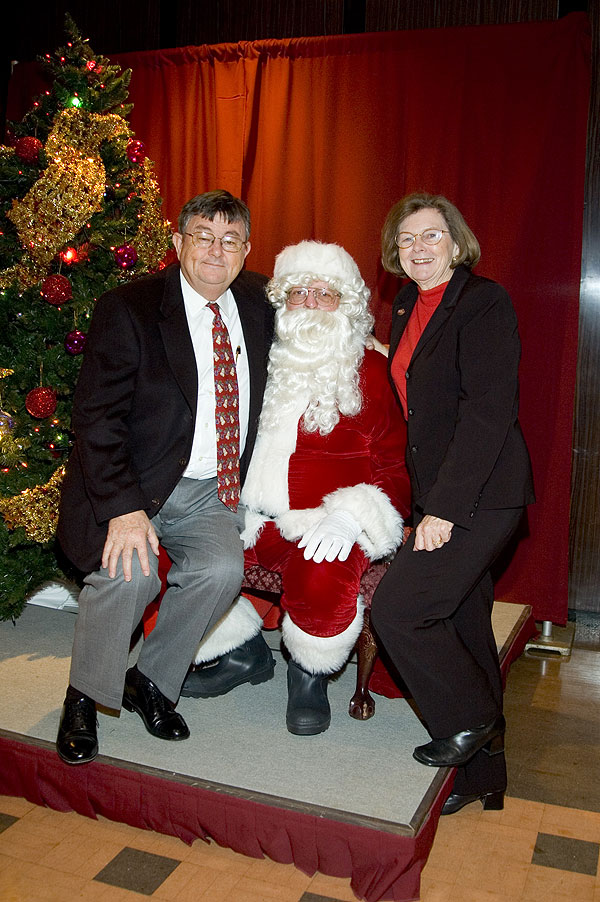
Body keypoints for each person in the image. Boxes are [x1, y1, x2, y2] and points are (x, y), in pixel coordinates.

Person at [56, 189, 274, 764]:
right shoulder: (129, 308)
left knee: (223, 569)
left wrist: (373, 343)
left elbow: (322, 322)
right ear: (177, 243)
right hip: (139, 483)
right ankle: (83, 697)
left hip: (210, 489)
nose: (215, 250)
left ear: (246, 251)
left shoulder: (259, 303)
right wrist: (124, 511)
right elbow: (95, 419)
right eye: (202, 236)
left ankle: (150, 681)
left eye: (230, 240)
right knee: (131, 575)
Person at [181, 240, 411, 734]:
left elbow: (394, 467)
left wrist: (353, 515)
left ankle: (308, 676)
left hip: (323, 522)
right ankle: (241, 654)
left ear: (345, 306)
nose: (308, 303)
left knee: (322, 573)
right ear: (282, 301)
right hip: (247, 515)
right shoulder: (257, 359)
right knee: (187, 554)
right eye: (298, 292)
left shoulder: (369, 371)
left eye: (323, 294)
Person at [369, 192, 534, 814]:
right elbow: (422, 387)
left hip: (479, 495)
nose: (418, 248)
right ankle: (483, 779)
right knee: (464, 624)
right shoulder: (409, 302)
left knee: (401, 611)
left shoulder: (484, 302)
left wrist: (442, 510)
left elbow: (487, 414)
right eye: (407, 239)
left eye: (431, 236)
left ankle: (470, 721)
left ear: (456, 242)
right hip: (437, 492)